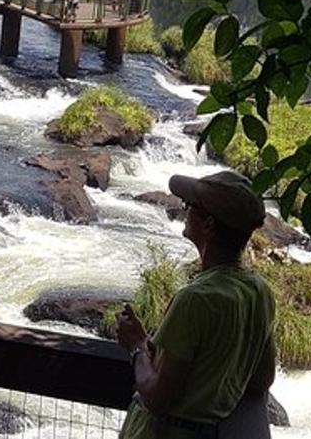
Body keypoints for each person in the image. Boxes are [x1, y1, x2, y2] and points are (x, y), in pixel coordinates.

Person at [116, 171, 276, 439]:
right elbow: (262, 379)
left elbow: (156, 398)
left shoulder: (196, 298)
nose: (185, 210)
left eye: (190, 206)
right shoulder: (259, 291)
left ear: (209, 225)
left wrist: (138, 347)